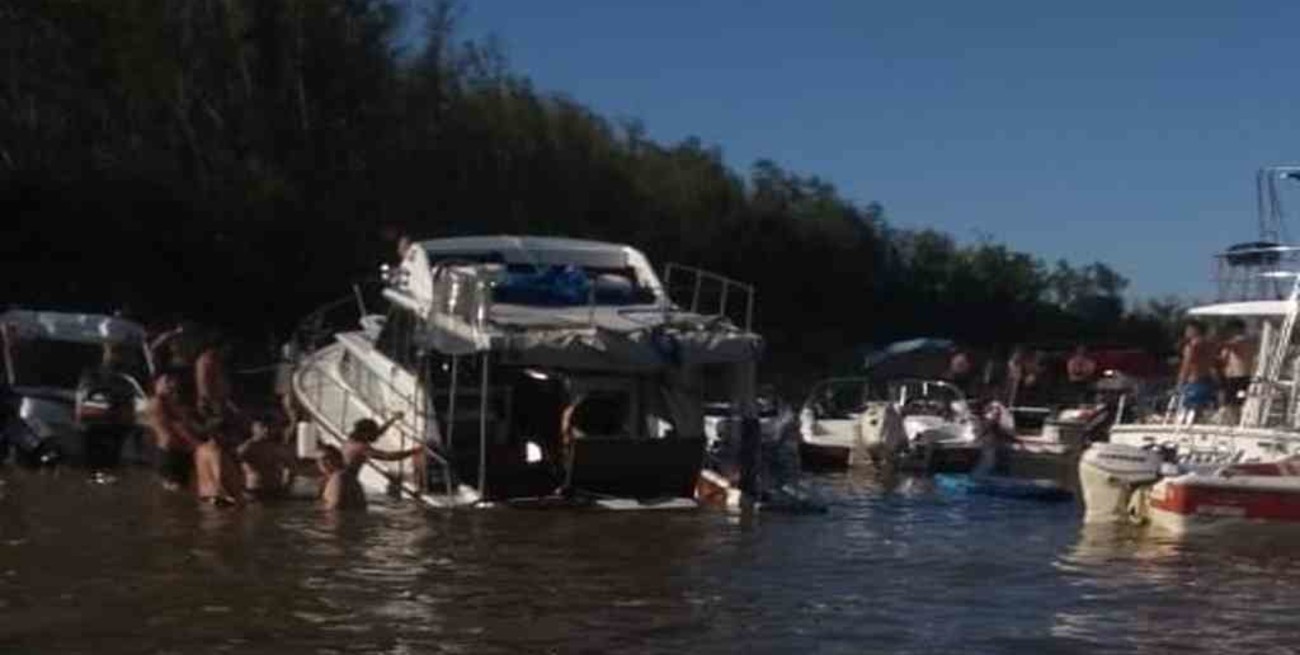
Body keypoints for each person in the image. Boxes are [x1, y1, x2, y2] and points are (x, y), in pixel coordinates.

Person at [75, 344, 139, 474]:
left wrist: (129, 423)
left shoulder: (125, 377)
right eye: (111, 352)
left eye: (116, 353)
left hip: (115, 427)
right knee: (93, 463)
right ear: (105, 354)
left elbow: (129, 402)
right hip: (94, 425)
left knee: (110, 463)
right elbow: (82, 397)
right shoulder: (91, 374)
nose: (114, 357)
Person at [339, 414, 421, 510]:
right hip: (347, 483)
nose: (376, 436)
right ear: (365, 433)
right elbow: (388, 456)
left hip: (343, 479)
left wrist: (392, 420)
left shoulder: (351, 441)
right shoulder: (361, 447)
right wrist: (414, 451)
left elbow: (377, 433)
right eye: (372, 432)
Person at [146, 371, 202, 490]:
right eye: (166, 381)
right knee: (175, 491)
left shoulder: (173, 402)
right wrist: (199, 445)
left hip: (182, 453)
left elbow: (188, 425)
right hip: (170, 455)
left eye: (172, 381)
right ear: (156, 384)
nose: (170, 384)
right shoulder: (157, 402)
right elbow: (177, 427)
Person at [237, 419, 297, 501]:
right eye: (262, 427)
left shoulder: (276, 448)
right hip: (254, 491)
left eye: (268, 427)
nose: (266, 430)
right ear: (253, 429)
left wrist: (288, 485)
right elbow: (232, 465)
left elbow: (292, 466)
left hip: (275, 491)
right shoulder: (247, 448)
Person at [1177, 320, 1218, 413]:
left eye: (1188, 330)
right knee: (1205, 410)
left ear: (1195, 330)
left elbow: (1186, 365)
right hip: (1208, 379)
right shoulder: (1210, 344)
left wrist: (1180, 381)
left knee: (1191, 410)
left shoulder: (1192, 346)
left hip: (1194, 380)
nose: (1186, 332)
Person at [1218, 318, 1256, 409]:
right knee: (1228, 401)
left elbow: (1233, 345)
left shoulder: (1244, 340)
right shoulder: (1232, 341)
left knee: (1238, 400)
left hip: (1240, 376)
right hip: (1230, 376)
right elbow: (1223, 358)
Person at [317, 444, 350, 509]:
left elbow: (335, 507)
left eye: (327, 458)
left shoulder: (338, 478)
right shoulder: (341, 476)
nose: (322, 462)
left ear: (338, 459)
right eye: (319, 459)